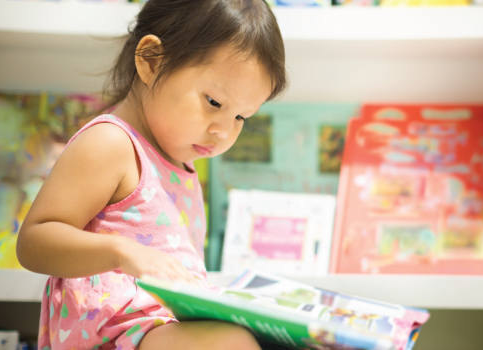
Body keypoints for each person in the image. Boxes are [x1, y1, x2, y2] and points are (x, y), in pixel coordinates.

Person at [16, 0, 287, 348]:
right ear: (151, 61)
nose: (224, 130)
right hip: (111, 334)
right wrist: (121, 251)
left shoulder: (183, 167)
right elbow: (34, 242)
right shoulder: (111, 143)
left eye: (241, 118)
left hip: (158, 328)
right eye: (215, 103)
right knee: (229, 342)